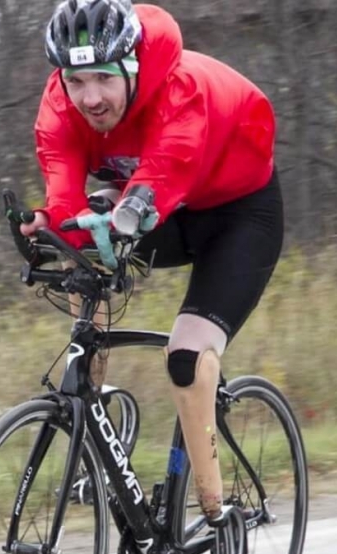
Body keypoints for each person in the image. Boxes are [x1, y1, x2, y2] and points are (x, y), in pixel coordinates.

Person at [19, 0, 283, 524]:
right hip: (160, 210)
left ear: (132, 67)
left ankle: (216, 514)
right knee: (80, 246)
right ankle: (93, 422)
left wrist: (128, 211)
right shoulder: (60, 106)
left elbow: (167, 167)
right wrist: (53, 223)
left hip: (237, 216)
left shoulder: (179, 88)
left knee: (185, 359)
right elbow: (63, 183)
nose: (89, 98)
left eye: (102, 79)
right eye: (76, 81)